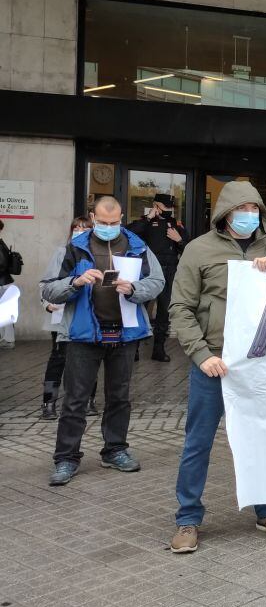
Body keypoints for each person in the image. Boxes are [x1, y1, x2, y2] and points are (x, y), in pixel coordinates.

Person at [168, 181, 266, 553]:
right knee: (198, 442)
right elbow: (181, 308)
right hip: (214, 363)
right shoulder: (198, 250)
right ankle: (188, 519)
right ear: (226, 213)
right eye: (243, 209)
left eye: (255, 210)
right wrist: (201, 355)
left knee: (264, 438)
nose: (249, 216)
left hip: (258, 365)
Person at [41, 197, 165, 486]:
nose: (109, 228)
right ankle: (66, 458)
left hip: (124, 334)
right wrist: (76, 282)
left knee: (119, 397)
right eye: (103, 223)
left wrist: (134, 288)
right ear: (93, 218)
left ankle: (115, 450)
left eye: (114, 222)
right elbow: (48, 290)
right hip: (83, 334)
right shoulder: (73, 247)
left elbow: (157, 282)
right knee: (75, 400)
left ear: (122, 218)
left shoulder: (138, 246)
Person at [39, 216, 93, 419]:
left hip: (87, 313)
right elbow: (46, 283)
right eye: (76, 228)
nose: (80, 230)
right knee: (58, 358)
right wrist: (47, 304)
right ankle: (49, 402)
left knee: (89, 357)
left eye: (85, 228)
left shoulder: (97, 253)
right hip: (62, 313)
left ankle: (89, 400)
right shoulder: (62, 252)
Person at [127, 192, 187, 362]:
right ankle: (135, 349)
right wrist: (148, 218)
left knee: (164, 311)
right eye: (164, 207)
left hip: (169, 271)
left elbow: (189, 249)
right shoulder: (146, 223)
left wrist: (179, 240)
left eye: (169, 207)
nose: (168, 210)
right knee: (141, 308)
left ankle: (159, 349)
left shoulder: (176, 225)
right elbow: (128, 233)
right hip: (148, 271)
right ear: (156, 206)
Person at [0, 218, 17, 350]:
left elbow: (2, 264)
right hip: (5, 282)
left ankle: (8, 340)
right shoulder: (1, 243)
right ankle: (6, 339)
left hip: (3, 283)